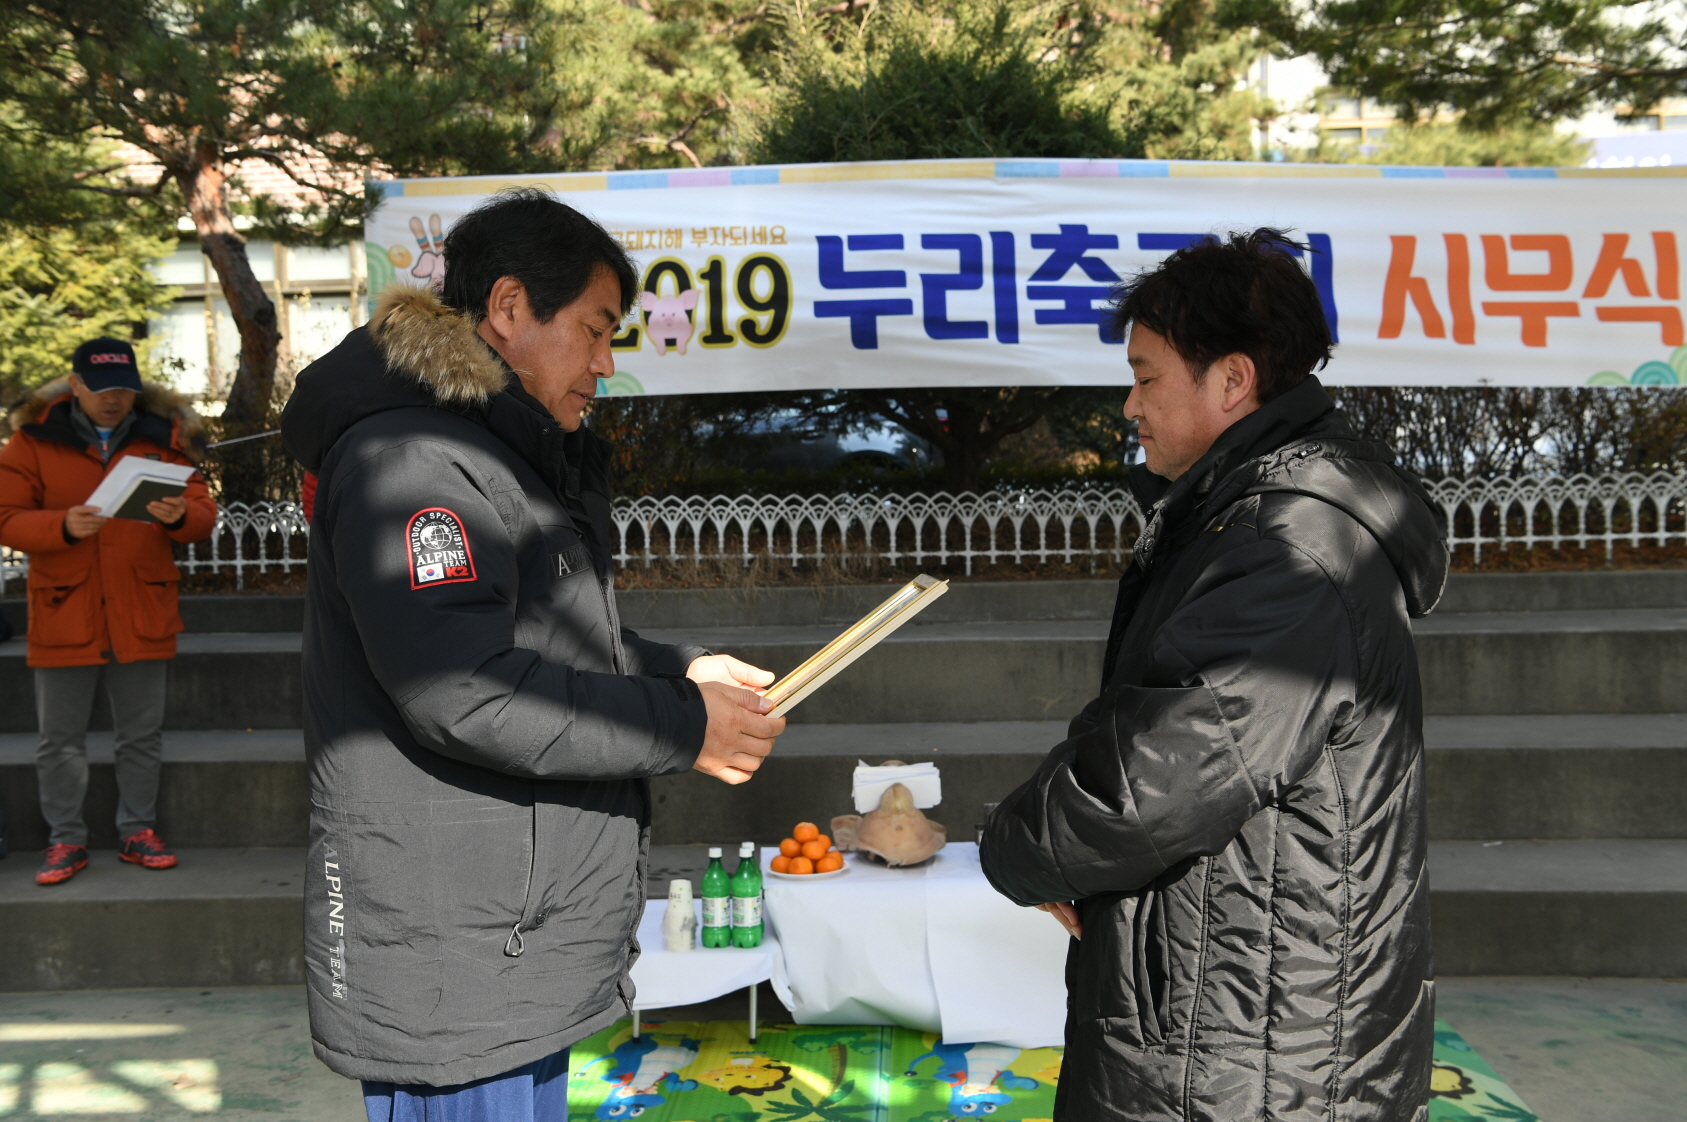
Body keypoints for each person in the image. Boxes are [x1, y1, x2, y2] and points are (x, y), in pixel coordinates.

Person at [280, 189, 785, 1121]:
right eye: (594, 331)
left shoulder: (493, 455)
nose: (605, 365)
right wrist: (683, 728)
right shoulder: (416, 463)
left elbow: (544, 640)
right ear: (509, 309)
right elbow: (463, 690)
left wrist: (681, 672)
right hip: (455, 957)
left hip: (496, 931)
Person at [981, 229, 1449, 1121]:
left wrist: (1013, 847)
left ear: (1231, 381)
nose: (1128, 405)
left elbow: (1152, 788)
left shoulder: (1291, 549)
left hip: (1249, 1047)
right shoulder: (1250, 515)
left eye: (1147, 377)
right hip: (1233, 1004)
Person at [0, 338, 218, 886]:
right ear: (75, 386)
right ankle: (65, 840)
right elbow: (5, 516)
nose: (113, 399)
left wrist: (176, 517)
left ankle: (137, 831)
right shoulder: (31, 442)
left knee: (141, 733)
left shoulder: (164, 441)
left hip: (140, 609)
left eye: (123, 388)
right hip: (63, 609)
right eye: (100, 389)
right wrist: (62, 527)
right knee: (59, 739)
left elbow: (203, 515)